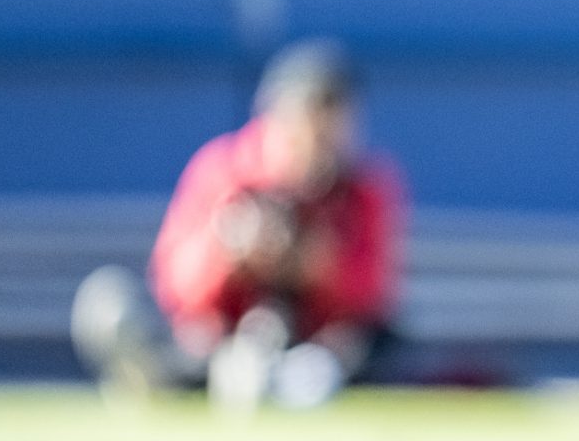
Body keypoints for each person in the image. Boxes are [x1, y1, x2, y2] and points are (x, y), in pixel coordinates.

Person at [71, 40, 404, 411]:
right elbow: (174, 286)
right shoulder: (224, 171)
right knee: (112, 303)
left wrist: (316, 266)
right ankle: (187, 376)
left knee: (377, 344)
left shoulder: (365, 187)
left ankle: (282, 381)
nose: (319, 139)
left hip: (318, 348)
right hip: (214, 341)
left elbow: (374, 295)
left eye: (334, 118)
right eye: (308, 119)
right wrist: (229, 254)